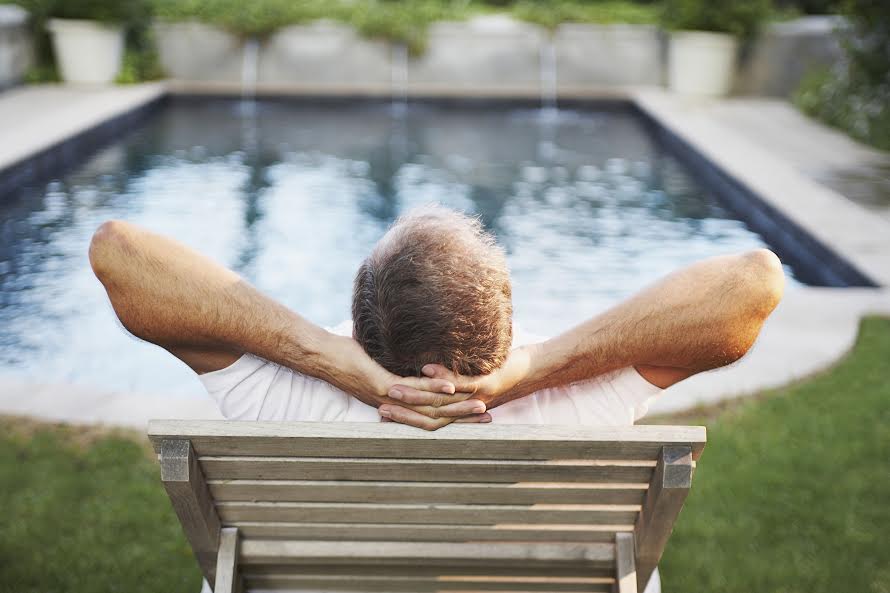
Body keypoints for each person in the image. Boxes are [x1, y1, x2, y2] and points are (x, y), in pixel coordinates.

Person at [89, 205, 784, 592]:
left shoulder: (278, 389)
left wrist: (323, 358)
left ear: (360, 317)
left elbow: (119, 251)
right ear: (507, 317)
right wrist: (540, 367)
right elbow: (754, 283)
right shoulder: (582, 399)